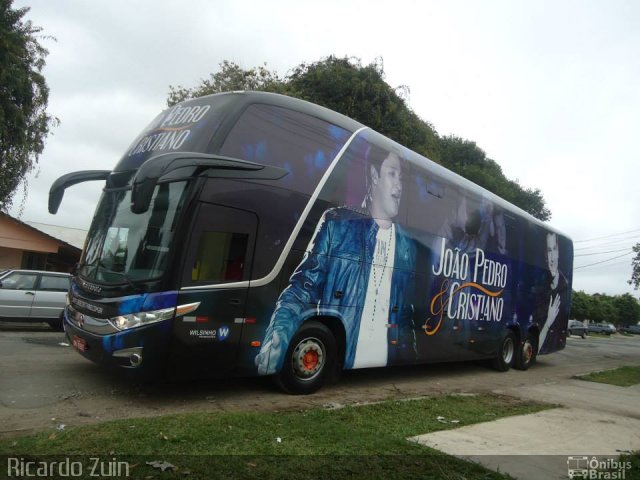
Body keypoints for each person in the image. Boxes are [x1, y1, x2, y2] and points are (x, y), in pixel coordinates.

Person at [255, 145, 417, 375]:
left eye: (402, 178)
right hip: (346, 358)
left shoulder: (407, 245)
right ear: (374, 175)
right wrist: (279, 336)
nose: (399, 186)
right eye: (392, 173)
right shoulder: (337, 224)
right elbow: (301, 290)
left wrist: (410, 362)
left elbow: (405, 317)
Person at [538, 232, 569, 352]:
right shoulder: (541, 286)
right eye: (549, 250)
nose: (551, 257)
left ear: (558, 252)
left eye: (554, 249)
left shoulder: (564, 288)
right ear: (546, 255)